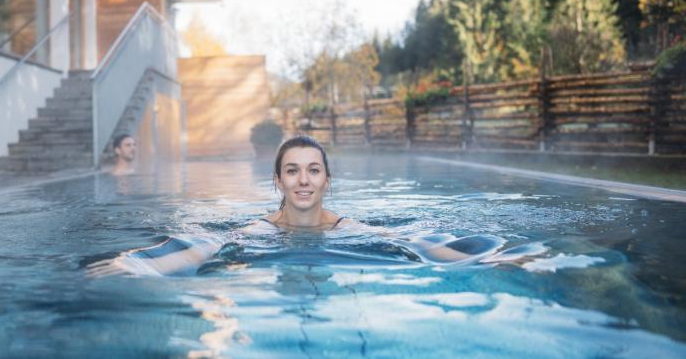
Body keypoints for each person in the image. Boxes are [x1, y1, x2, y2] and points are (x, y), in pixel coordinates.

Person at [88, 135, 521, 277]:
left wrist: (492, 259)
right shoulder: (261, 229)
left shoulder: (346, 227)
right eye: (292, 171)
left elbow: (416, 244)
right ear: (277, 181)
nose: (303, 180)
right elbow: (205, 247)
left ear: (327, 180)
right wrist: (138, 265)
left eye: (313, 170)